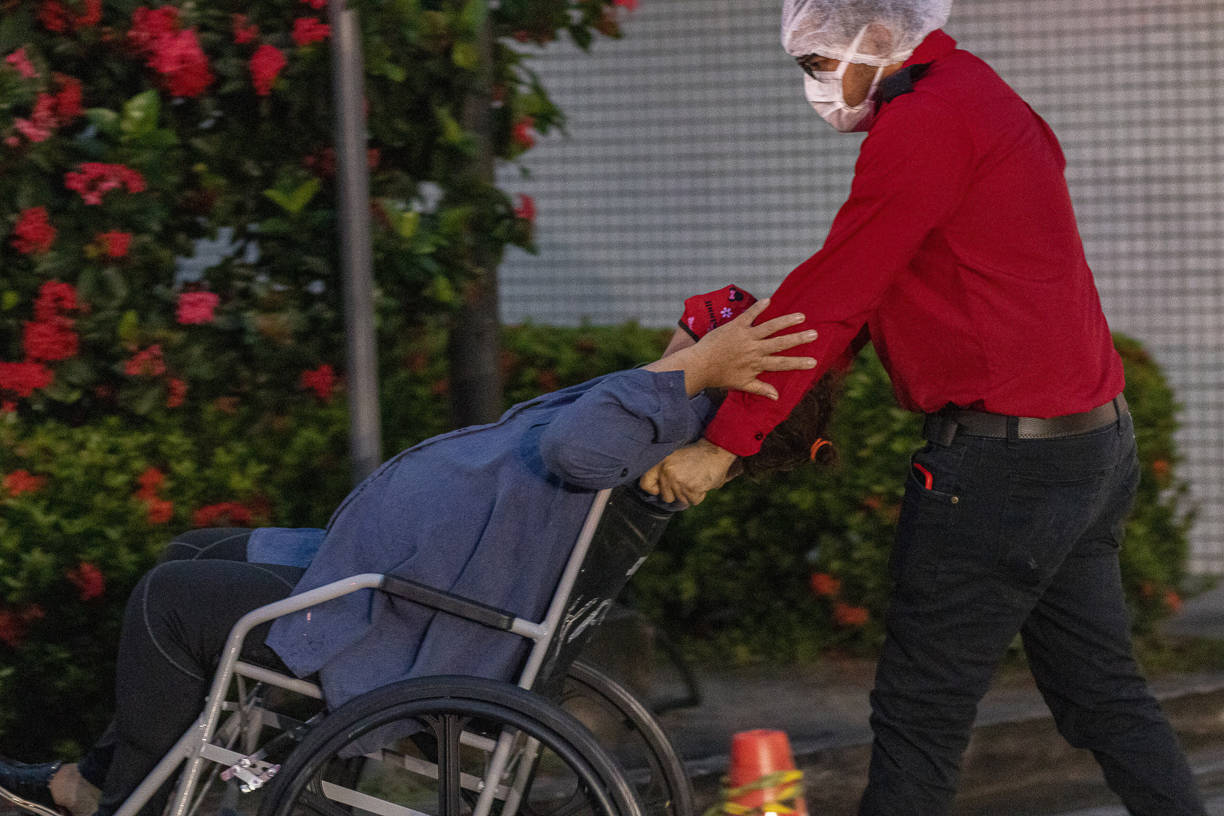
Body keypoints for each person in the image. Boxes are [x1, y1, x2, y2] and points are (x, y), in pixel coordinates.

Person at [639, 3, 1207, 815]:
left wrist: (723, 446)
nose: (815, 89)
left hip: (1003, 467)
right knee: (1105, 698)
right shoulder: (976, 92)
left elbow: (838, 292)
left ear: (876, 37)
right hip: (1089, 444)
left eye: (816, 65)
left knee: (920, 719)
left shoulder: (924, 126)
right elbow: (882, 283)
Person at [0, 287, 836, 816]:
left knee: (167, 598)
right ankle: (107, 778)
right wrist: (689, 378)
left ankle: (120, 802)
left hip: (405, 616)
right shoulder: (669, 422)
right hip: (402, 581)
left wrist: (688, 376)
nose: (683, 339)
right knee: (195, 550)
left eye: (705, 340)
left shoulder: (668, 416)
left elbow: (577, 449)